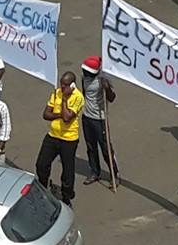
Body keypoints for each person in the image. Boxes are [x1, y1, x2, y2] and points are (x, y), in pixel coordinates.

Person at [38, 72, 85, 205]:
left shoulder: (78, 97)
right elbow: (46, 114)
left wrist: (64, 99)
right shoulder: (56, 92)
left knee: (67, 171)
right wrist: (60, 113)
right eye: (61, 84)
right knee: (41, 164)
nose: (62, 88)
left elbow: (67, 118)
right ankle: (43, 186)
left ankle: (66, 196)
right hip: (53, 135)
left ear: (72, 85)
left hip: (68, 139)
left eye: (65, 86)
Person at [80, 56, 119, 186]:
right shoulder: (83, 78)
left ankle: (115, 174)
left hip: (99, 119)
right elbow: (85, 94)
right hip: (87, 117)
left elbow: (112, 98)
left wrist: (106, 88)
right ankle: (94, 172)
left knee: (106, 149)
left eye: (87, 72)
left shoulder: (103, 80)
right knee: (91, 147)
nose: (85, 74)